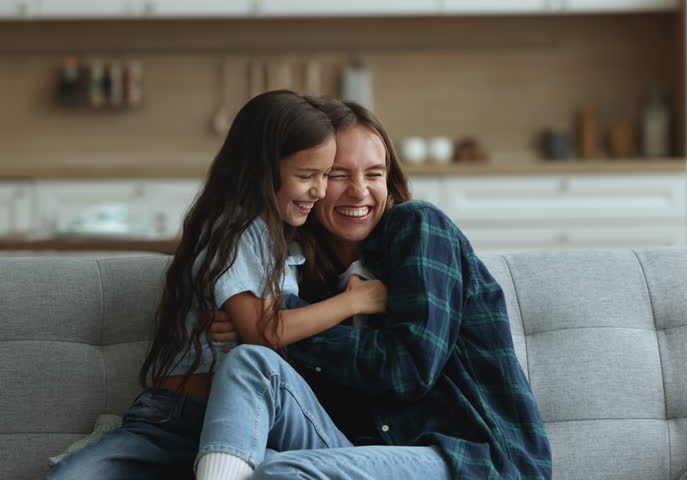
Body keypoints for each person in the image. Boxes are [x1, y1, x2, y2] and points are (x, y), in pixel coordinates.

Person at [195, 100, 552, 480]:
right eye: (338, 175)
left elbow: (410, 370)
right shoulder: (304, 276)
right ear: (310, 182)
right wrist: (270, 330)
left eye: (374, 173)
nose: (360, 190)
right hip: (365, 452)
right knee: (250, 364)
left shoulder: (418, 228)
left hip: (469, 459)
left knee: (284, 472)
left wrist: (274, 328)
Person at [46, 90, 388, 480]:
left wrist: (268, 321)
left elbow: (263, 337)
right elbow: (264, 335)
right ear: (261, 171)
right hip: (175, 418)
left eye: (326, 175)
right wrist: (353, 302)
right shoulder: (237, 230)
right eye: (307, 176)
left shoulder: (289, 242)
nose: (321, 190)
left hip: (250, 423)